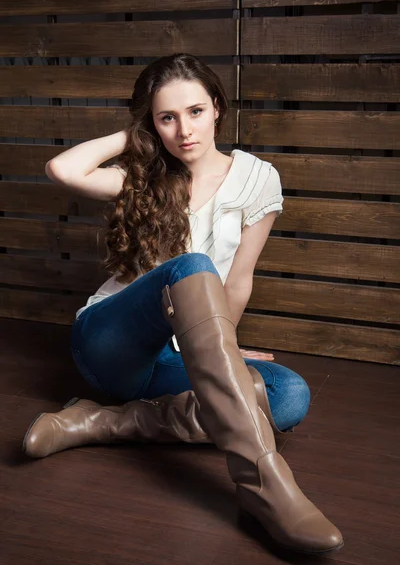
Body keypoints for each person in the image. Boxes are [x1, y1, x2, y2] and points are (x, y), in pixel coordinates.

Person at [22, 53, 343, 554]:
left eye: (194, 111)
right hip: (112, 345)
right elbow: (61, 168)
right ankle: (266, 486)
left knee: (286, 395)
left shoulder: (258, 179)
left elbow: (239, 281)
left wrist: (223, 351)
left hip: (180, 355)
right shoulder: (144, 175)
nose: (183, 130)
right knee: (192, 266)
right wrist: (135, 137)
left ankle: (104, 422)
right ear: (152, 124)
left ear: (217, 107)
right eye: (166, 117)